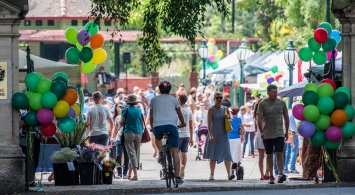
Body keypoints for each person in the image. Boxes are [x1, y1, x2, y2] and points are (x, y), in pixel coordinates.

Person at [149, 81, 186, 185]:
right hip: (172, 126)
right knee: (175, 151)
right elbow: (180, 114)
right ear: (170, 90)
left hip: (158, 126)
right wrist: (182, 123)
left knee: (157, 138)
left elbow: (151, 117)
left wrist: (152, 127)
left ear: (159, 90)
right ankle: (178, 177)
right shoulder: (174, 99)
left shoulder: (154, 100)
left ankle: (161, 151)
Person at [257, 84, 289, 184]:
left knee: (279, 153)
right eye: (273, 92)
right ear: (268, 93)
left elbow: (286, 117)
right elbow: (259, 119)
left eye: (276, 92)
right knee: (269, 155)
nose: (275, 94)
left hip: (279, 132)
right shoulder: (263, 103)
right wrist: (261, 131)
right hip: (267, 133)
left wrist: (286, 131)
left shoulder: (281, 103)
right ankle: (271, 175)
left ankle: (280, 173)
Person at [203, 92, 233, 181]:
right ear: (214, 99)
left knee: (227, 154)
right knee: (213, 154)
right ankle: (211, 174)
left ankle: (229, 174)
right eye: (217, 98)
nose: (219, 99)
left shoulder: (226, 109)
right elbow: (209, 124)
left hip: (223, 134)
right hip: (214, 134)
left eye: (220, 97)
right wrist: (210, 135)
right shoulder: (211, 109)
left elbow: (230, 121)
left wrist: (228, 117)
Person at [121, 94, 144, 181]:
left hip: (128, 133)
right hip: (139, 133)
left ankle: (135, 175)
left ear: (128, 102)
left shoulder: (125, 110)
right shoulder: (139, 110)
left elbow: (121, 122)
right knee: (135, 154)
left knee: (131, 154)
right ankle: (129, 174)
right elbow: (142, 123)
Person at [177, 95, 194, 179]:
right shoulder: (189, 111)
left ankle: (180, 167)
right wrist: (191, 137)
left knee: (176, 153)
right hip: (186, 134)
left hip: (178, 134)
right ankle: (183, 167)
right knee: (184, 153)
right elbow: (191, 126)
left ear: (179, 100)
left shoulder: (176, 110)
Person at [111, 103, 129, 179]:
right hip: (119, 138)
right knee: (118, 156)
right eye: (119, 106)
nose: (121, 108)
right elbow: (115, 128)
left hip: (127, 137)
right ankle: (119, 173)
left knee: (127, 156)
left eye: (122, 106)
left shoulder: (128, 116)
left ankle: (125, 173)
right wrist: (112, 138)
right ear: (116, 108)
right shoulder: (117, 117)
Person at [254, 98, 270, 180]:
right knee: (261, 156)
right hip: (260, 134)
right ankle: (262, 174)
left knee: (268, 155)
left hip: (268, 134)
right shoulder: (257, 114)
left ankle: (267, 172)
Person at [228, 106, 243, 180]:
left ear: (231, 112)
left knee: (231, 155)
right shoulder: (239, 119)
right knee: (237, 155)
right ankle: (238, 168)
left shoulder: (229, 120)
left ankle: (232, 173)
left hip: (230, 138)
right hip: (237, 138)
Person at [284, 108, 299, 174]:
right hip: (293, 134)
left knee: (288, 152)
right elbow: (297, 123)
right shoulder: (293, 115)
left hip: (288, 134)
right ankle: (292, 168)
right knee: (294, 152)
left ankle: (285, 167)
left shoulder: (287, 114)